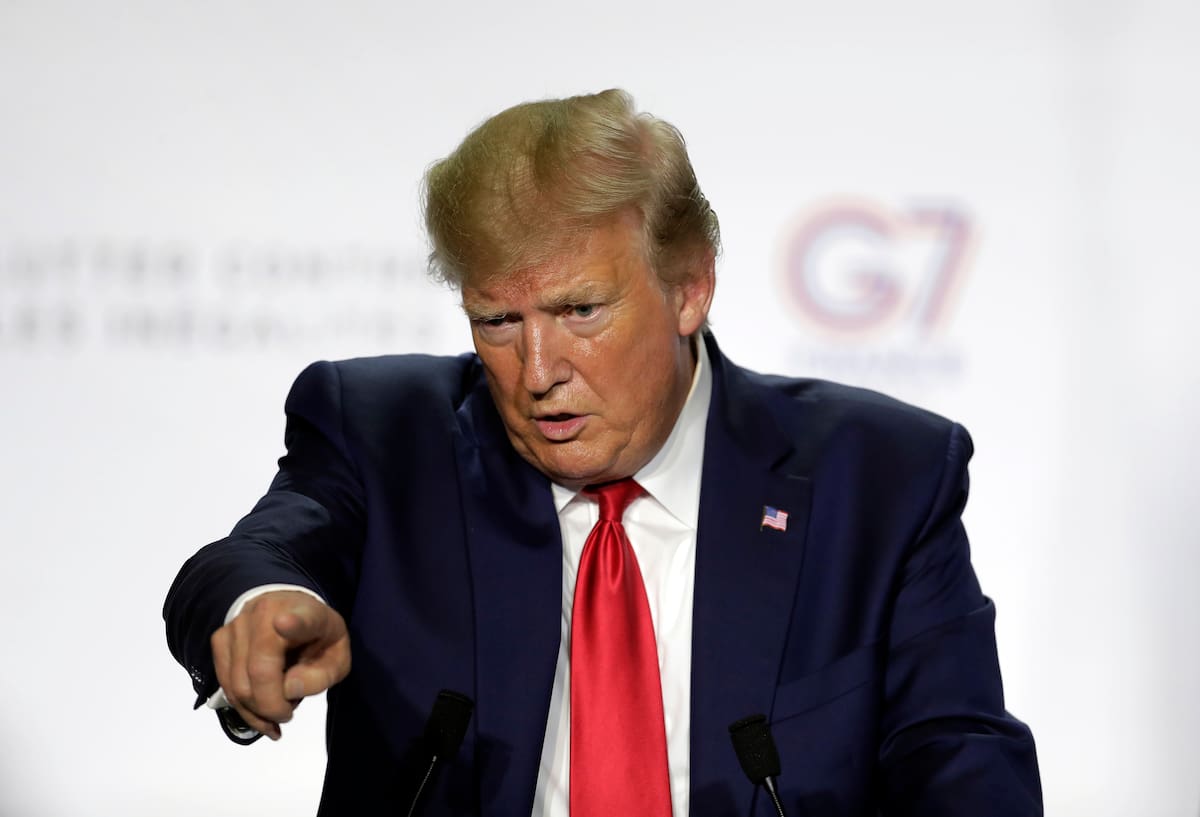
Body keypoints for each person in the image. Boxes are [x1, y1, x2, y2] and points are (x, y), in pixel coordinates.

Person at [164, 89, 1042, 816]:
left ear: (689, 286)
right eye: (498, 322)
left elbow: (960, 760)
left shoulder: (880, 480)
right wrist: (259, 604)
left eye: (581, 310)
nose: (537, 372)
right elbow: (251, 560)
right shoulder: (385, 434)